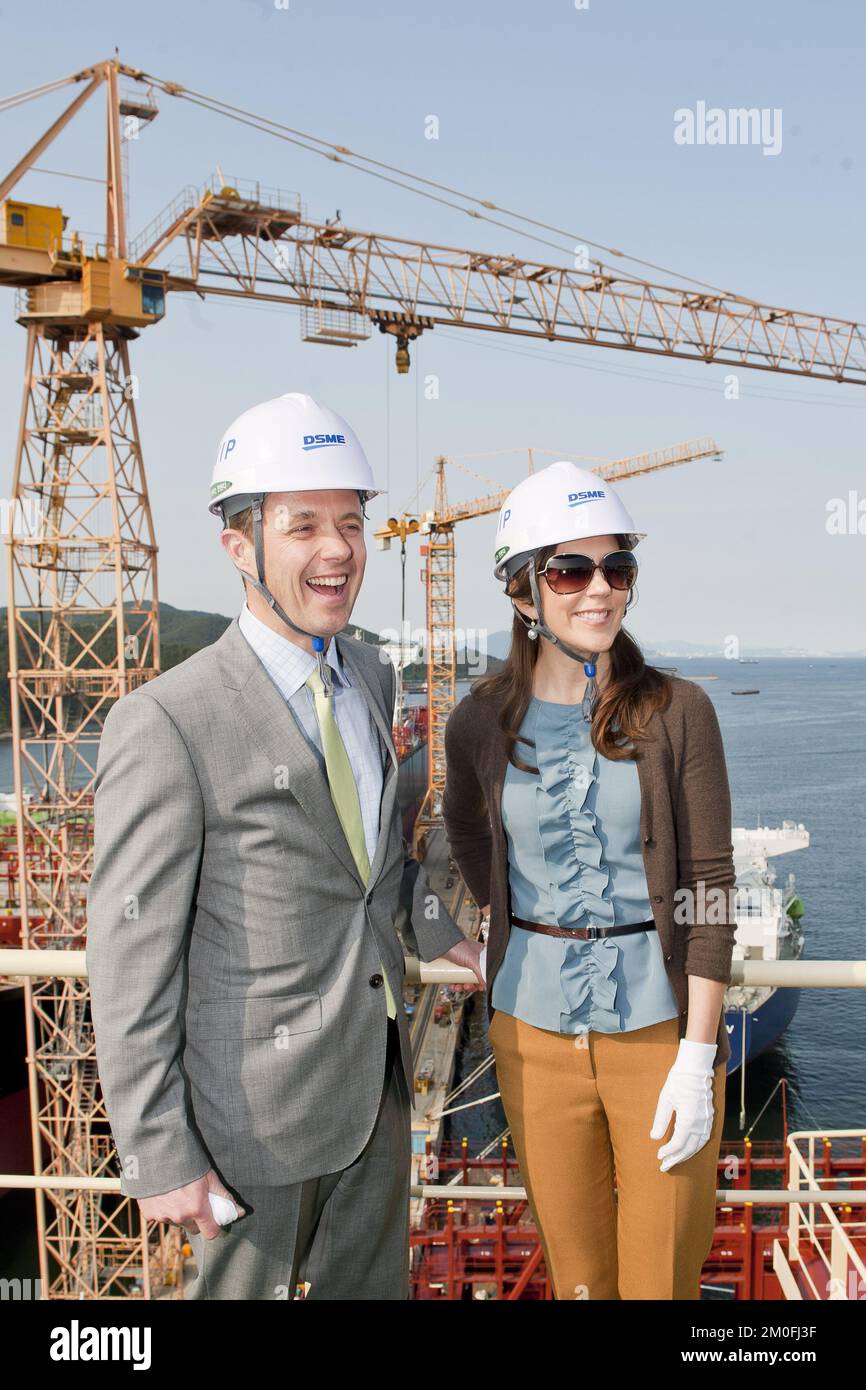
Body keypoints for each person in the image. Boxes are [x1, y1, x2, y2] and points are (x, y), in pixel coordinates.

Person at [86, 390, 484, 1300]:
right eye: (302, 526)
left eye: (350, 522)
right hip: (248, 1117)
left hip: (375, 1084)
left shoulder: (372, 674)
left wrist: (429, 924)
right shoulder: (168, 722)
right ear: (240, 546)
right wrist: (156, 1150)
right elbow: (127, 953)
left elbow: (373, 858)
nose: (337, 549)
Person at [442, 461, 736, 1300]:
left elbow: (709, 884)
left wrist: (697, 1055)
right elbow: (465, 830)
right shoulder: (477, 722)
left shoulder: (677, 711)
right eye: (572, 570)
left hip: (661, 1034)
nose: (599, 589)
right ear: (524, 591)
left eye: (618, 569)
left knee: (661, 1283)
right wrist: (501, 920)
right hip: (530, 1036)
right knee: (577, 1282)